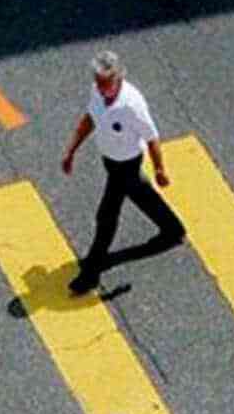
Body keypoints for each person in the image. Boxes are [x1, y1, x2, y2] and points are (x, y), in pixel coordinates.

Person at [60, 49, 186, 297]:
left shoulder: (131, 105)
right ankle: (173, 230)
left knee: (106, 216)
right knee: (141, 195)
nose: (101, 87)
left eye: (106, 83)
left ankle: (90, 275)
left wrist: (160, 169)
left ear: (118, 78)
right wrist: (72, 149)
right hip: (111, 161)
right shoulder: (96, 92)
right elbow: (90, 119)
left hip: (127, 164)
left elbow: (152, 138)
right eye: (98, 82)